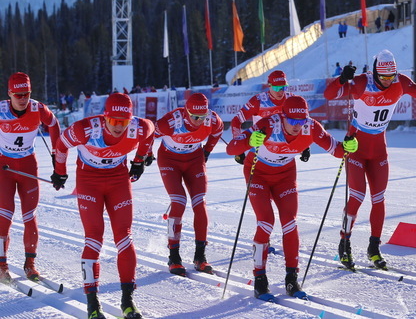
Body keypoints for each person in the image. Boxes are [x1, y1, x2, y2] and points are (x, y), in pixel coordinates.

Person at [226, 96, 358, 300]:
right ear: (282, 116)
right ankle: (260, 278)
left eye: (302, 121)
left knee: (290, 223)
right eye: (293, 121)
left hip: (285, 177)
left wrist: (349, 146)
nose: (298, 126)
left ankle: (291, 278)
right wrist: (249, 141)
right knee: (266, 222)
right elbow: (231, 148)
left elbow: (338, 150)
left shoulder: (311, 127)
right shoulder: (267, 124)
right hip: (258, 174)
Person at [324, 50, 416, 270]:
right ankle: (344, 243)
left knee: (379, 199)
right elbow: (329, 95)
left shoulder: (401, 82)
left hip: (379, 150)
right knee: (357, 196)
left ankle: (374, 248)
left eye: (391, 76)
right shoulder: (361, 83)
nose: (388, 81)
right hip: (356, 147)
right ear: (375, 72)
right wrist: (340, 79)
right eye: (384, 77)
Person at [51, 93, 155, 319]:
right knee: (94, 237)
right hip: (89, 181)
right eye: (115, 121)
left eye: (124, 122)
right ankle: (92, 304)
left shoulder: (139, 127)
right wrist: (60, 172)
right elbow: (60, 144)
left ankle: (128, 301)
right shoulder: (85, 129)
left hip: (118, 180)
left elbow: (150, 131)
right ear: (105, 117)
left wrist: (140, 160)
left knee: (124, 237)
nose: (119, 127)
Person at [0, 72, 61, 283]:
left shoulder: (38, 108)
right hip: (4, 168)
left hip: (28, 165)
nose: (23, 98)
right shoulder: (1, 110)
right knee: (5, 215)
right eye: (18, 94)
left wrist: (57, 158)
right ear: (9, 94)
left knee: (30, 215)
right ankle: (1, 264)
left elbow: (54, 125)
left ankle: (30, 264)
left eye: (26, 93)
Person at [154, 93, 223, 276]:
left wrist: (207, 151)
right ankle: (174, 256)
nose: (199, 121)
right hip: (169, 160)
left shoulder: (212, 120)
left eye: (203, 116)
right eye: (195, 117)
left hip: (194, 160)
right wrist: (142, 156)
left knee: (200, 203)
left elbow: (218, 132)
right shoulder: (171, 121)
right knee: (178, 202)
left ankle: (200, 256)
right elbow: (149, 134)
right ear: (186, 112)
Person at [230, 70, 310, 164]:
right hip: (262, 151)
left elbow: (304, 122)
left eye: (283, 88)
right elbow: (236, 121)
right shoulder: (258, 101)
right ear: (269, 86)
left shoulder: (292, 100)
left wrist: (305, 146)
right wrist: (239, 146)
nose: (280, 92)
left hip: (284, 151)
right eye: (277, 88)